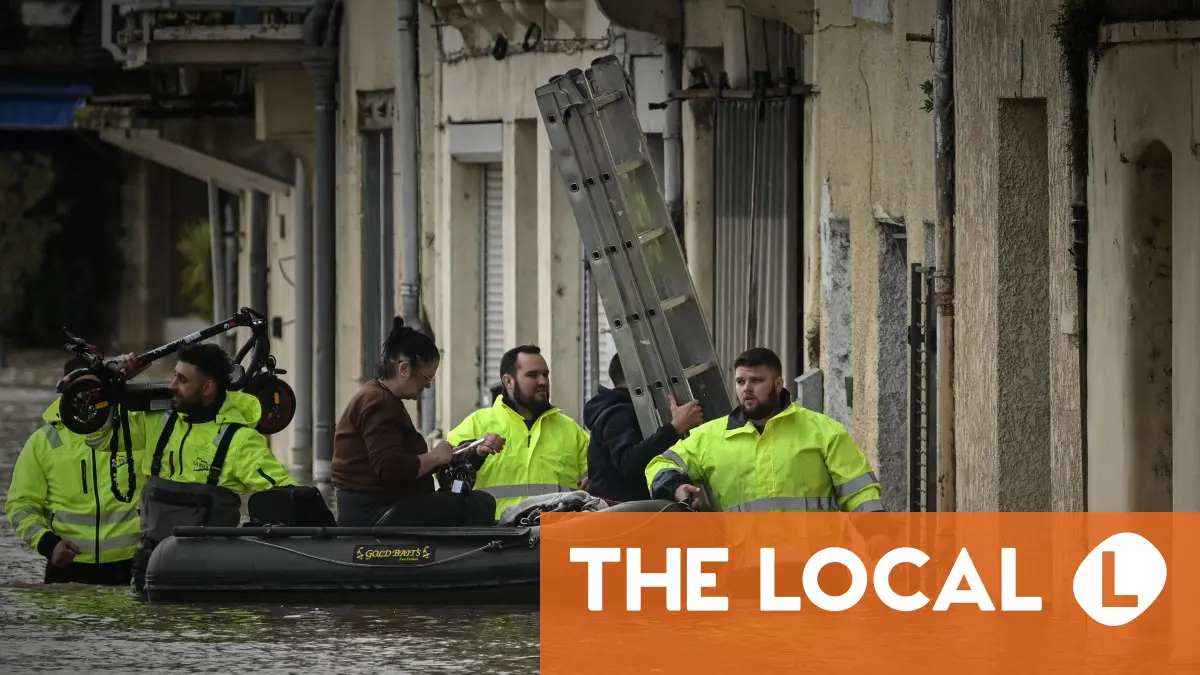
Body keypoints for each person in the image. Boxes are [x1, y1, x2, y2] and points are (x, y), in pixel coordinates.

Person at [130, 341, 301, 598]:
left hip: (205, 576)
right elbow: (96, 436)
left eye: (182, 379)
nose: (172, 385)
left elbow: (286, 493)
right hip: (149, 570)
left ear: (208, 388)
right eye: (173, 376)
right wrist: (115, 380)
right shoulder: (155, 421)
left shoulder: (239, 440)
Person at [644, 347, 884, 514]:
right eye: (740, 382)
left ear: (778, 384)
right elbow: (660, 465)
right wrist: (675, 486)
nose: (746, 389)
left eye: (756, 381)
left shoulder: (823, 431)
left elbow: (860, 493)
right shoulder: (710, 438)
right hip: (742, 572)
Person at [332, 316, 504, 527]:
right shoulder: (378, 402)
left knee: (460, 497)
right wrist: (434, 458)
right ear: (404, 369)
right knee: (479, 504)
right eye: (426, 378)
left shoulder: (382, 398)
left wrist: (468, 452)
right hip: (374, 514)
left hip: (383, 506)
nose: (428, 386)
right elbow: (391, 468)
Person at [4, 353, 149, 586]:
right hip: (67, 568)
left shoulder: (139, 428)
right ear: (67, 389)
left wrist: (130, 379)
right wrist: (48, 544)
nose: (87, 398)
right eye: (81, 390)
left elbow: (180, 413)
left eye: (94, 389)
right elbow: (20, 505)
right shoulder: (43, 442)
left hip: (133, 566)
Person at [447, 345, 590, 521]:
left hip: (557, 535)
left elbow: (601, 476)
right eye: (532, 375)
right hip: (493, 537)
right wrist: (475, 453)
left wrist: (596, 477)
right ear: (508, 382)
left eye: (545, 374)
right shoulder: (476, 424)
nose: (543, 381)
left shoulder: (570, 429)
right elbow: (448, 480)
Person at [582, 353, 703, 503]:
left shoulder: (631, 411)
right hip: (621, 519)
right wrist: (675, 428)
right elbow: (629, 463)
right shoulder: (618, 413)